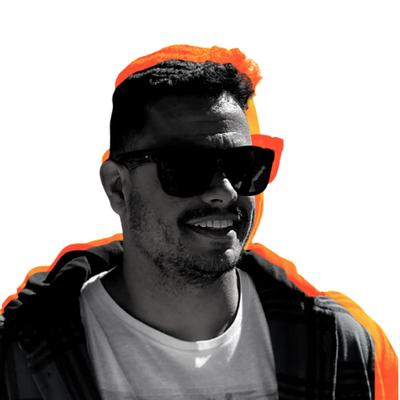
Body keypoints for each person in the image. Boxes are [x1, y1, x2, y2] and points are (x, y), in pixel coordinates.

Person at [0, 45, 397, 400]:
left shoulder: (335, 347)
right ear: (118, 188)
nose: (224, 192)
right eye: (187, 167)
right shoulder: (20, 355)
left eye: (243, 166)